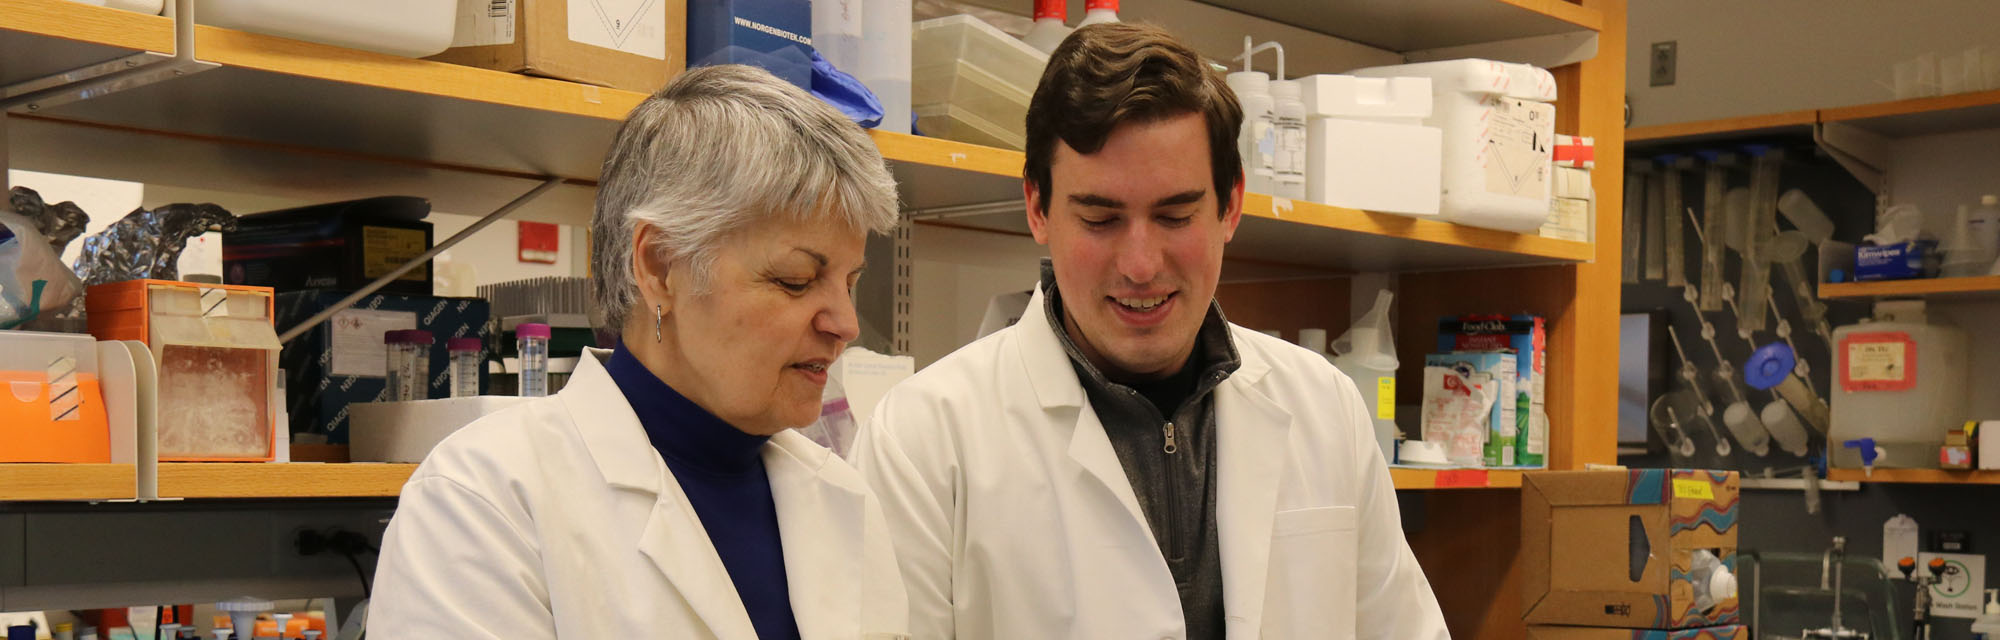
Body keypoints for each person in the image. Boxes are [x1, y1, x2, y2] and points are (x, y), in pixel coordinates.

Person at [852, 24, 1450, 639]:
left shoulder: (1325, 409)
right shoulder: (924, 440)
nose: (1140, 264)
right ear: (1037, 207)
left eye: (1175, 215)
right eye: (1100, 218)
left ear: (1231, 205)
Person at [370, 64, 909, 639]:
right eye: (796, 280)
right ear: (659, 267)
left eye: (850, 282)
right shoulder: (485, 500)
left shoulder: (842, 499)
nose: (845, 324)